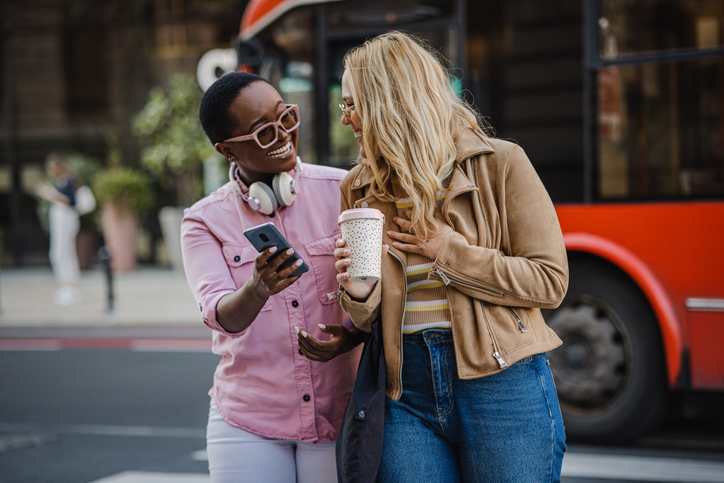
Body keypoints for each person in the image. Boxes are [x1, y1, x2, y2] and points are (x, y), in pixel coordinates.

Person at [332, 31, 569, 482]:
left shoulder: (501, 163)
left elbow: (549, 281)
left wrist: (448, 252)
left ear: (391, 101)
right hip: (405, 391)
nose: (345, 119)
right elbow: (367, 320)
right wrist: (359, 294)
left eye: (351, 104)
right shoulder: (358, 187)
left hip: (501, 384)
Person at [181, 72, 364, 483]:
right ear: (227, 149)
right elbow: (220, 314)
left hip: (341, 411)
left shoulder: (345, 190)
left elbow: (381, 292)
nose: (283, 135)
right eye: (264, 132)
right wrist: (258, 288)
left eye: (286, 118)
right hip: (248, 420)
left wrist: (355, 337)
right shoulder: (202, 221)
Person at [36, 152, 81, 306]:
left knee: (63, 252)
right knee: (58, 253)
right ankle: (66, 285)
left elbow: (71, 202)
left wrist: (51, 194)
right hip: (59, 221)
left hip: (65, 222)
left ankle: (70, 287)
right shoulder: (62, 181)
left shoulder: (68, 181)